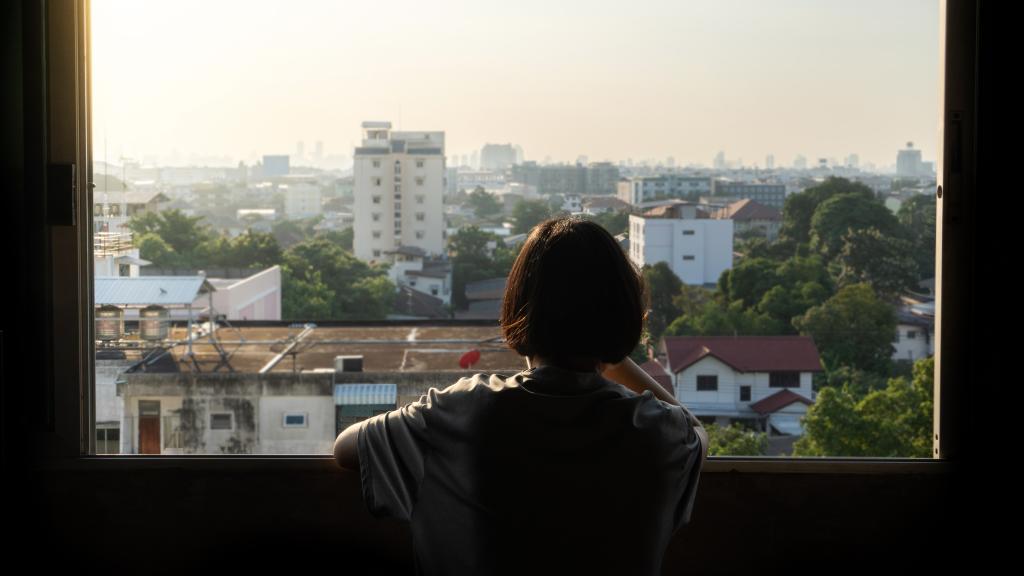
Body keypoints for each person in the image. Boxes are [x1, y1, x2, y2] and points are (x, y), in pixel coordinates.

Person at [334, 216, 708, 575]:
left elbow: (346, 448)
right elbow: (695, 432)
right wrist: (609, 350)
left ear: (520, 306)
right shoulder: (656, 431)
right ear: (623, 314)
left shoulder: (463, 411)